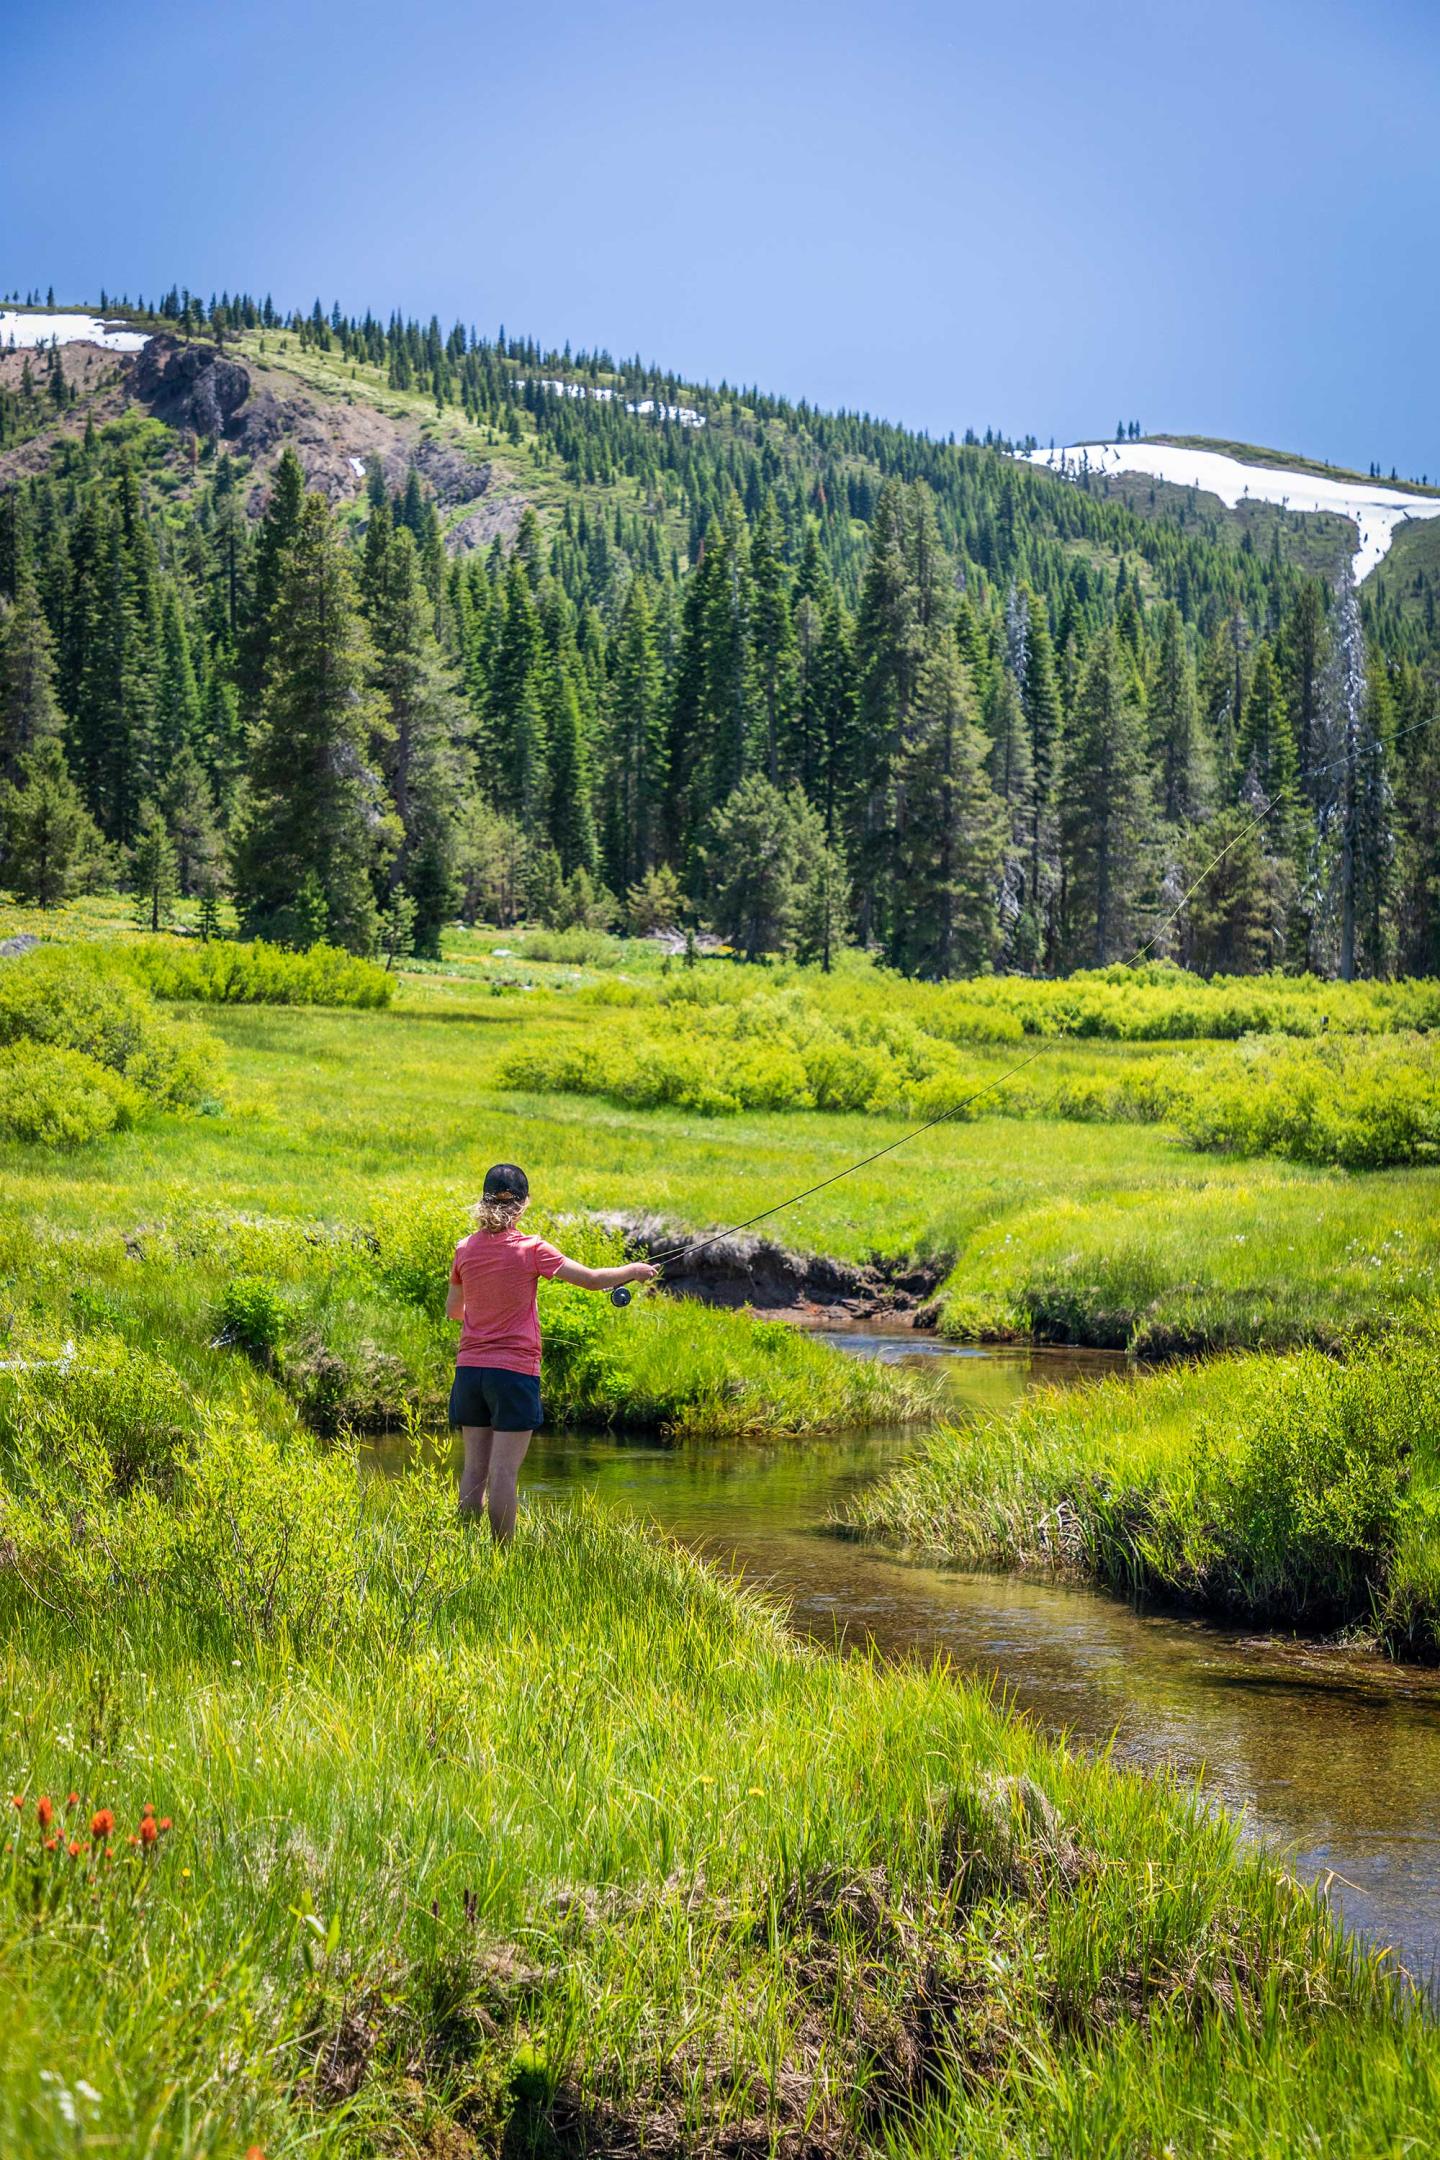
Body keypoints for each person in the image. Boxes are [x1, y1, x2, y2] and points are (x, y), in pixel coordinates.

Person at [445, 1163, 656, 1541]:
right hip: (513, 1374)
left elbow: (453, 1312)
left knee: (474, 1471)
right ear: (524, 1205)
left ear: (483, 1201)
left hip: (469, 1371)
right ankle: (502, 1558)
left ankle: (464, 1549)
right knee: (504, 1473)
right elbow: (591, 1281)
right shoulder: (531, 1249)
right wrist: (633, 1270)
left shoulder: (464, 1249)